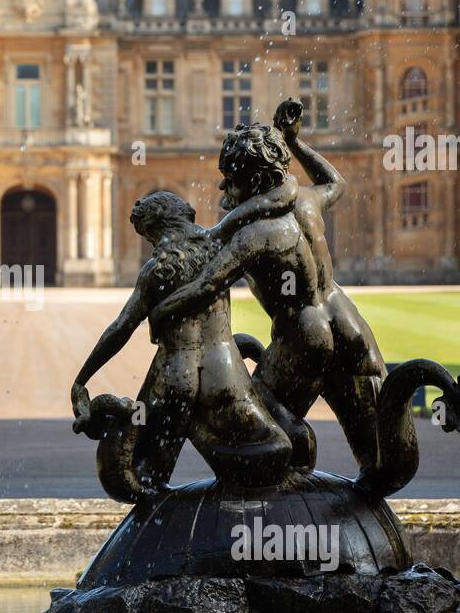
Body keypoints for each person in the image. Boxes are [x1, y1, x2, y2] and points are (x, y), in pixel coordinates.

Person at [150, 100, 386, 473]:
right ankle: (332, 519)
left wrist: (161, 311)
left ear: (256, 182)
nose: (223, 186)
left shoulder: (253, 234)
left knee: (255, 423)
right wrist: (295, 142)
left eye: (231, 178)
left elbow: (207, 286)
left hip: (304, 338)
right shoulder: (307, 201)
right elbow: (334, 182)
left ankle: (287, 499)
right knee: (378, 460)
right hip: (348, 322)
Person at [70, 191, 290, 499]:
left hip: (173, 375)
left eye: (149, 237)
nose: (152, 245)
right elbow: (267, 206)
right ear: (185, 215)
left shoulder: (156, 270)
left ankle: (194, 439)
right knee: (269, 455)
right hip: (224, 371)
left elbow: (121, 327)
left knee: (143, 480)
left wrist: (83, 378)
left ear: (155, 229)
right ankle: (213, 469)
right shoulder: (219, 246)